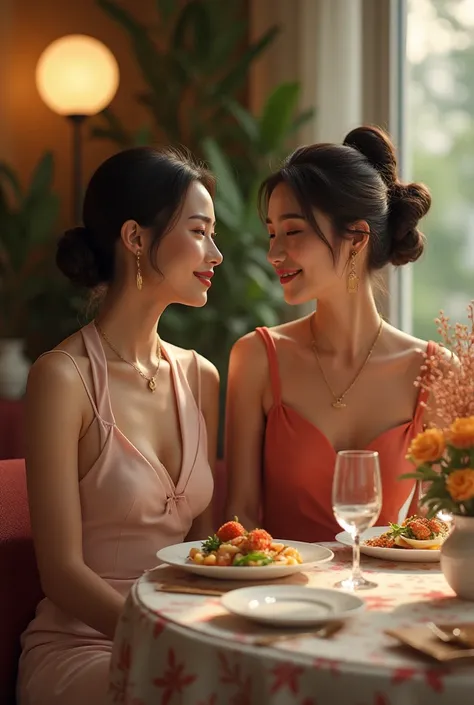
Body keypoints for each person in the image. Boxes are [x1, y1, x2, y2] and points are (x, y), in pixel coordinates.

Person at [17, 147, 222, 705]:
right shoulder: (62, 379)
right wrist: (166, 640)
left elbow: (205, 552)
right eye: (200, 231)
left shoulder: (200, 376)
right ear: (135, 238)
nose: (217, 253)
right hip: (84, 648)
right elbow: (60, 572)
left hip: (181, 641)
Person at [225, 126, 433, 542]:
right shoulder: (257, 358)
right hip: (282, 597)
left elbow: (435, 529)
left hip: (387, 598)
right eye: (271, 233)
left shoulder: (432, 370)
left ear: (356, 237)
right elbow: (241, 514)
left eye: (293, 231)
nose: (273, 253)